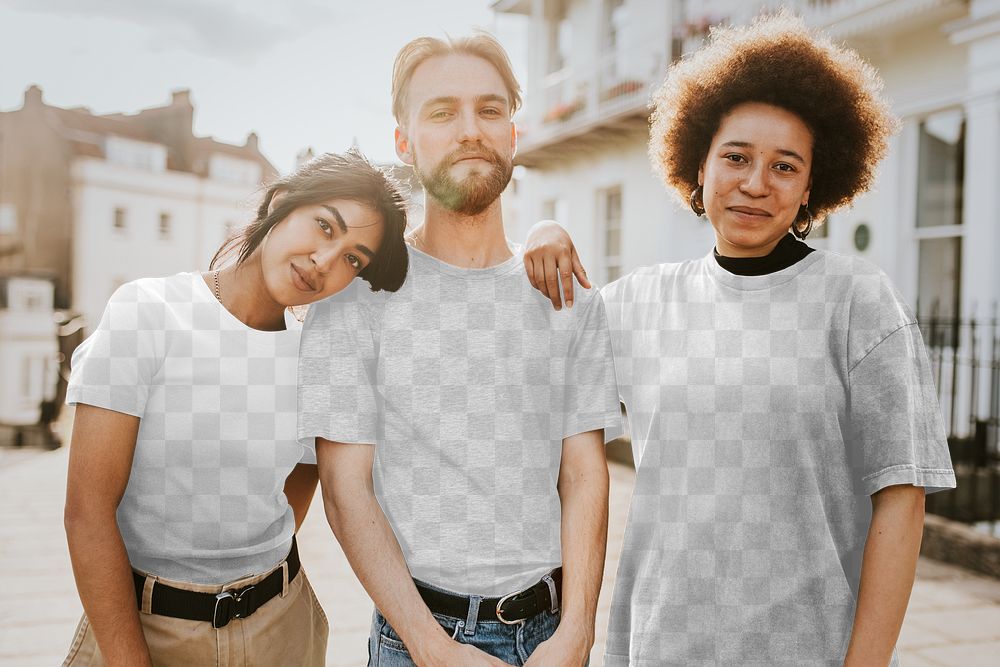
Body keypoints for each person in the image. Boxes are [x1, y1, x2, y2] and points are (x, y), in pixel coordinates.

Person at [534, 12, 956, 666]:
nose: (757, 182)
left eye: (785, 166)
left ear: (812, 185)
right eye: (736, 157)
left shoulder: (856, 300)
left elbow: (902, 494)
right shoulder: (640, 303)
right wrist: (543, 233)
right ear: (697, 166)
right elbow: (526, 338)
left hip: (808, 649)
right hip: (658, 645)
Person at [297, 33, 622, 666]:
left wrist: (578, 630)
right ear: (404, 141)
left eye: (490, 110)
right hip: (417, 638)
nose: (470, 129)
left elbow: (584, 473)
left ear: (513, 134)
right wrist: (432, 647)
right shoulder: (354, 303)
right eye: (442, 112)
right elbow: (344, 490)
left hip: (551, 636)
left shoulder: (569, 297)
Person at [61, 150, 409, 667]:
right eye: (323, 226)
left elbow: (300, 485)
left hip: (281, 625)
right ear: (282, 201)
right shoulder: (149, 312)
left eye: (353, 258)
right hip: (146, 628)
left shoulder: (318, 358)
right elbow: (87, 512)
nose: (324, 261)